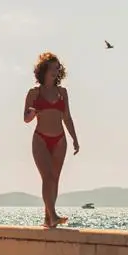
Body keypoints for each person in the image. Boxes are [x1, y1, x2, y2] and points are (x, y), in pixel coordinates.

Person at [23, 52, 80, 228]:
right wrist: (32, 112)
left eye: (58, 68)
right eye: (52, 68)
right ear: (44, 70)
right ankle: (53, 214)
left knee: (54, 178)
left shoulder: (62, 93)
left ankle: (48, 219)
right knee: (47, 177)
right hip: (40, 138)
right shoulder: (34, 93)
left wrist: (75, 139)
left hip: (60, 139)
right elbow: (26, 118)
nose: (55, 71)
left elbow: (67, 118)